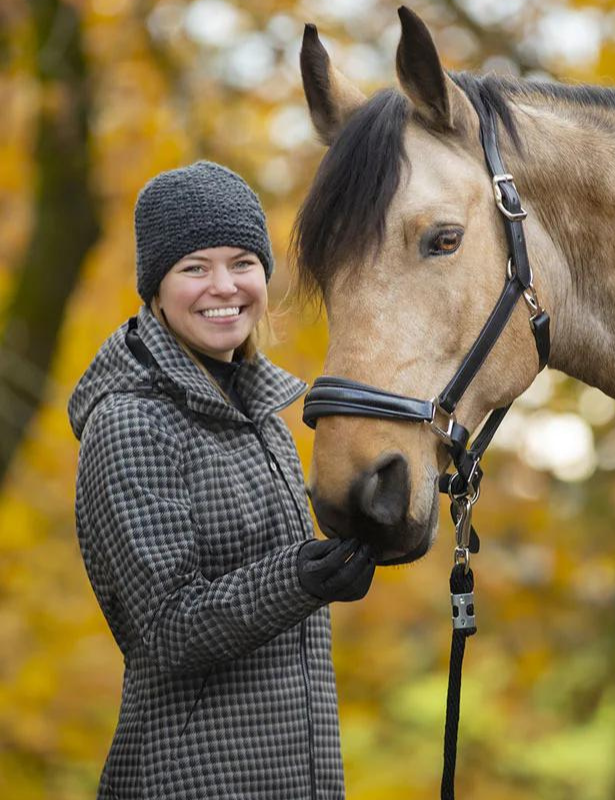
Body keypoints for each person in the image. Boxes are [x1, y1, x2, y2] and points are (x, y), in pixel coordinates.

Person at [67, 160, 375, 800]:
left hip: (302, 779)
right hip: (187, 782)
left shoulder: (263, 419)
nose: (224, 286)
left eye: (242, 262)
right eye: (194, 267)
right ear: (155, 287)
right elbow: (170, 629)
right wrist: (301, 578)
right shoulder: (130, 423)